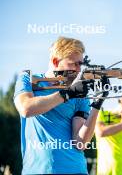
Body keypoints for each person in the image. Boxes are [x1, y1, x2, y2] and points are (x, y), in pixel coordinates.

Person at [14, 37, 107, 174]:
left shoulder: (79, 92)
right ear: (55, 61)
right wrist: (68, 94)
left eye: (80, 64)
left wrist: (97, 103)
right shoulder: (27, 79)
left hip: (76, 170)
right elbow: (26, 108)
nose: (79, 69)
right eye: (74, 64)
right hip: (37, 170)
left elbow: (80, 143)